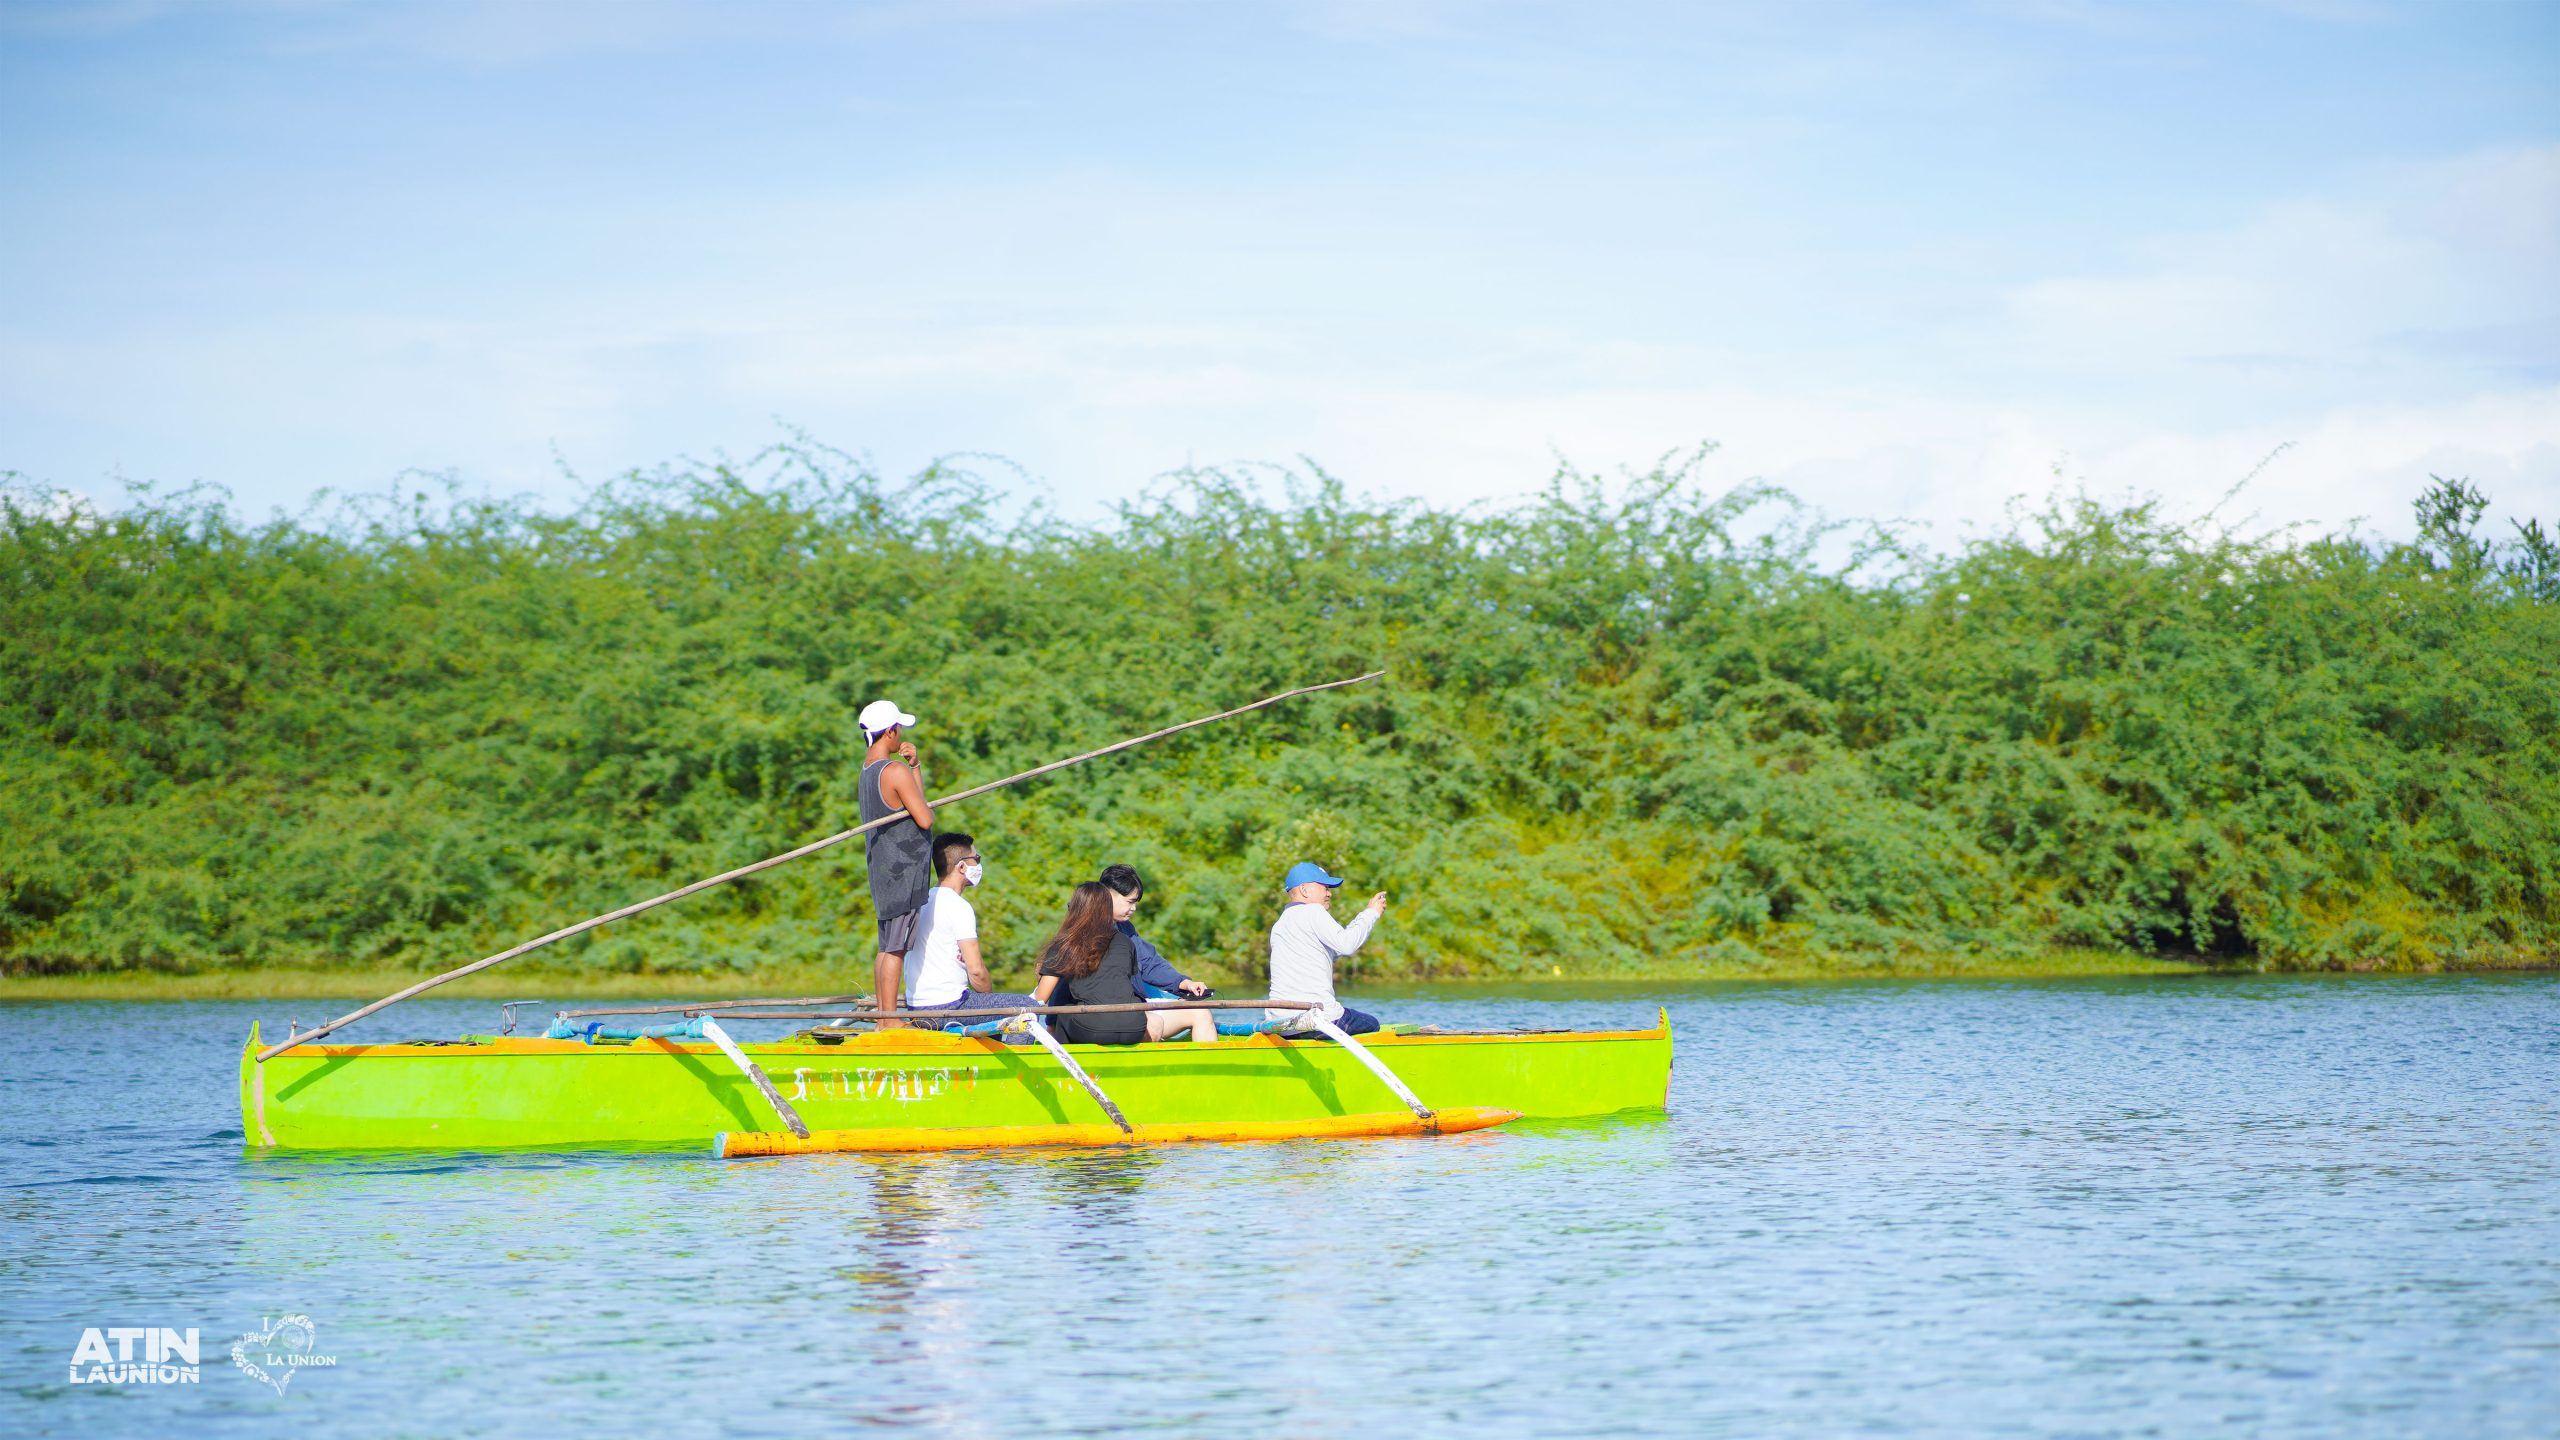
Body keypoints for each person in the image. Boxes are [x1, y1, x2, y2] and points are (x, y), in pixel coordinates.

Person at [1034, 882, 1219, 1045]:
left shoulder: (1066, 943)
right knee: (1156, 1020)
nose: (1134, 908)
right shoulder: (1125, 940)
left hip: (1095, 1027)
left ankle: (1068, 1068)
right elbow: (1129, 980)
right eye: (1130, 901)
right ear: (1108, 904)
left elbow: (1041, 999)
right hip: (1134, 1026)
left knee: (1062, 1017)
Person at [904, 833, 1042, 1019]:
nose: (978, 865)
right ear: (961, 866)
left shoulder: (921, 902)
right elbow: (977, 972)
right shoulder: (958, 906)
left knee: (989, 1006)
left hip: (916, 1008)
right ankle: (1013, 1049)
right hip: (950, 1006)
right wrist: (992, 1007)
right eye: (976, 859)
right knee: (1027, 1006)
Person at [856, 699, 933, 1029]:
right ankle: (889, 1021)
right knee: (896, 948)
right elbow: (925, 817)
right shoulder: (893, 770)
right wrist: (911, 769)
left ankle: (885, 1019)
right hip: (902, 870)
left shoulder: (867, 771)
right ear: (889, 732)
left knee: (888, 946)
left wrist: (914, 765)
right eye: (898, 728)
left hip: (883, 870)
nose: (901, 734)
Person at [1265, 861, 1388, 1036]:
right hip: (1319, 1019)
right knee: (1371, 1023)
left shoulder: (1280, 924)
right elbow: (1347, 945)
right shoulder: (1313, 911)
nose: (1329, 893)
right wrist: (1371, 913)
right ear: (1304, 890)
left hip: (1282, 1023)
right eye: (1325, 887)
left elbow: (1329, 952)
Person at [1098, 864, 1212, 1002]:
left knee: (1194, 1007)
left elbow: (1148, 963)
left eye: (1136, 903)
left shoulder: (1125, 928)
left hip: (1128, 1006)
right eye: (1130, 902)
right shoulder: (1088, 930)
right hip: (1110, 1008)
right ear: (1108, 896)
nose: (1133, 908)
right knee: (1199, 1014)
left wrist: (1185, 984)